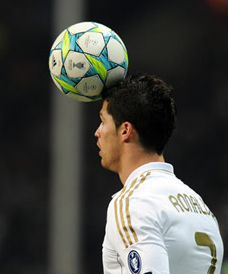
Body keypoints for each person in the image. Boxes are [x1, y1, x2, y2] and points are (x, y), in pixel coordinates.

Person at [95, 73, 224, 274]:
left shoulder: (133, 203)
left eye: (103, 121)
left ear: (125, 130)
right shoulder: (201, 207)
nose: (97, 132)